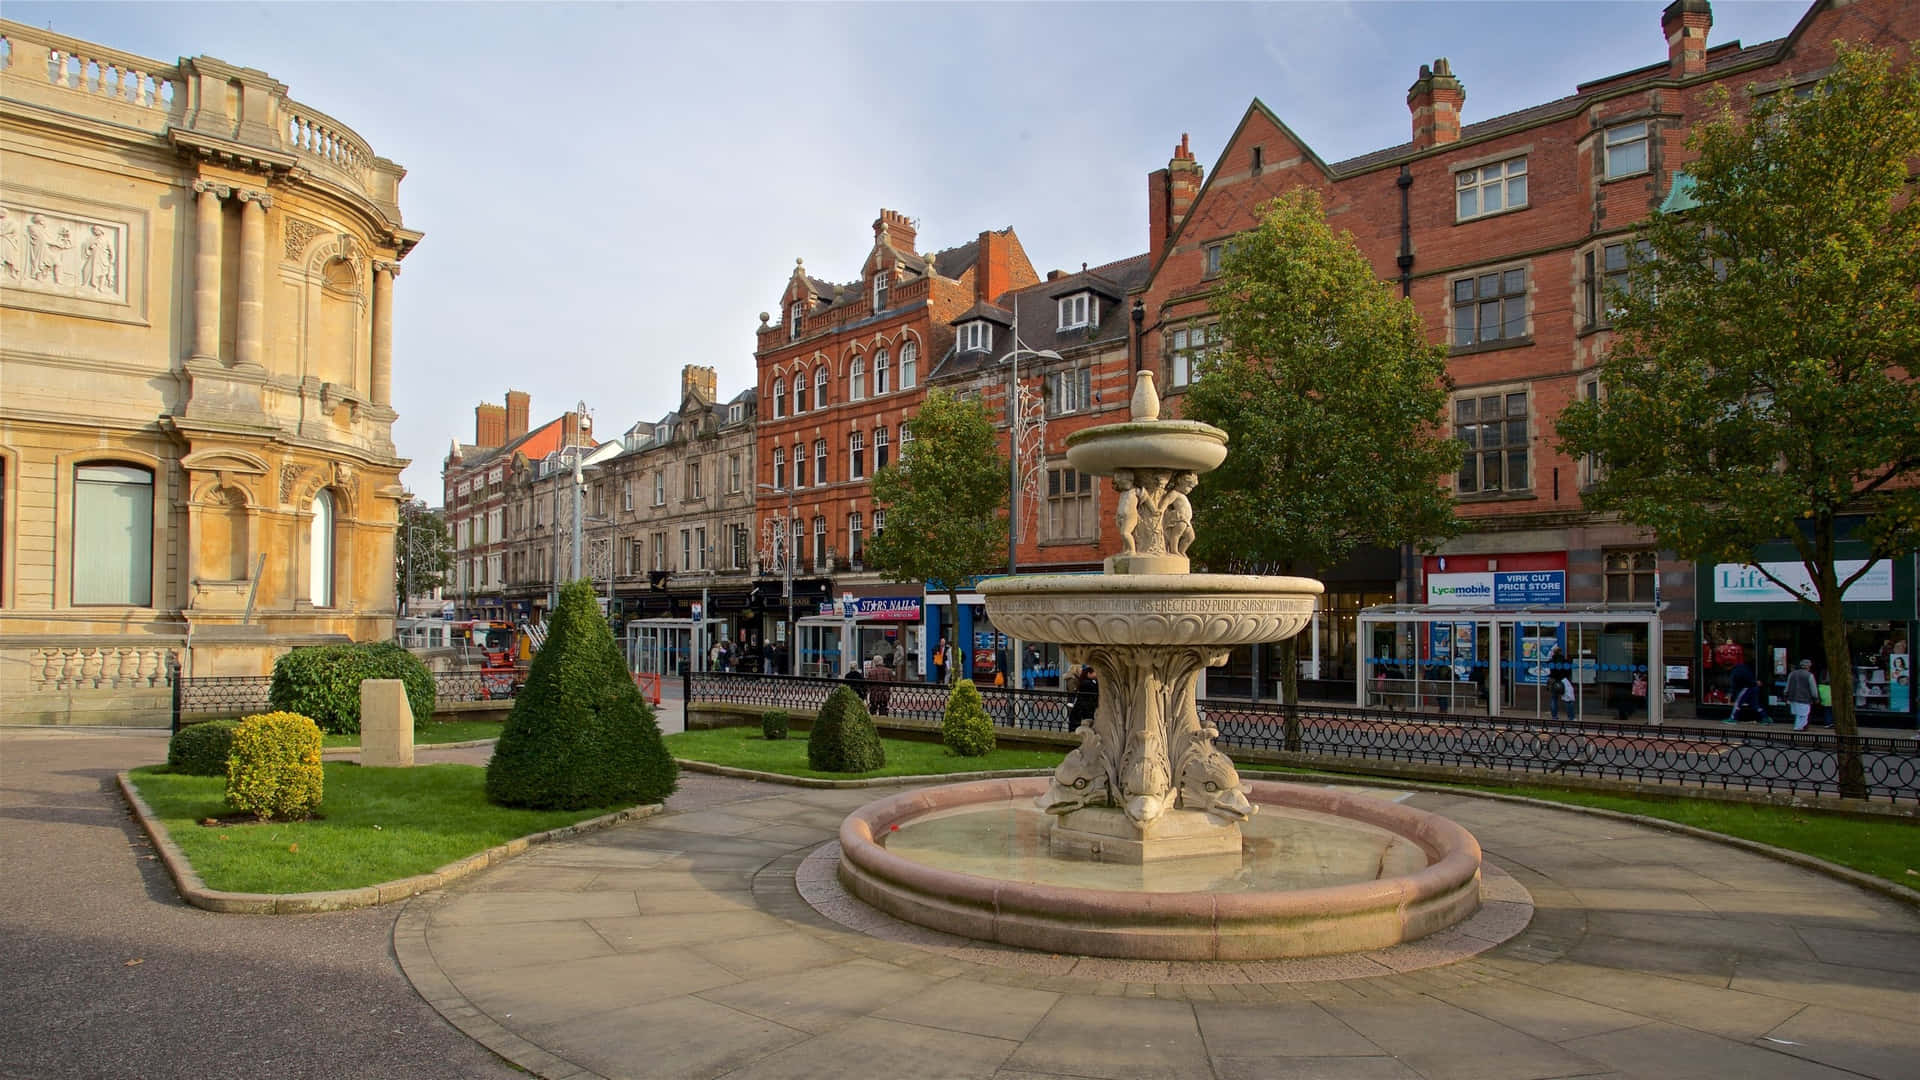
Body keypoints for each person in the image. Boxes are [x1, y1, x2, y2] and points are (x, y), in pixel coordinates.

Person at [1785, 658, 1818, 731]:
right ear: (1808, 666)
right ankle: (1798, 728)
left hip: (1793, 697)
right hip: (1804, 698)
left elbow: (1787, 686)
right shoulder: (1809, 675)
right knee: (1803, 715)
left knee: (1798, 714)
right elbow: (1813, 689)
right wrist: (1815, 697)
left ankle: (1799, 727)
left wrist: (1786, 694)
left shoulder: (1792, 674)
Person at [1726, 659, 1759, 724]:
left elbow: (1734, 684)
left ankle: (1733, 718)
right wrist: (1755, 683)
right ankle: (1765, 717)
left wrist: (1731, 693)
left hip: (1745, 688)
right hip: (1753, 687)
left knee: (1738, 703)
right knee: (1755, 705)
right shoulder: (1744, 668)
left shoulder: (1735, 671)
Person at [1069, 665, 1099, 731]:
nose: (1096, 674)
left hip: (1085, 707)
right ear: (1089, 674)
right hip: (1084, 708)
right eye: (1094, 672)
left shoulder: (1089, 681)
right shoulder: (1087, 683)